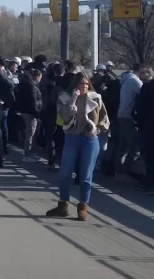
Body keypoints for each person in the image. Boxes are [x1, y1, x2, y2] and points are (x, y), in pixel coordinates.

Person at [46, 71, 109, 221]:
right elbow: (64, 117)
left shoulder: (96, 97)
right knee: (65, 173)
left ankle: (83, 207)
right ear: (75, 85)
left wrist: (97, 129)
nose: (85, 86)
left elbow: (105, 118)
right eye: (81, 83)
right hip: (72, 137)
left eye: (87, 84)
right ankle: (63, 205)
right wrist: (73, 100)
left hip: (90, 139)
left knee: (86, 175)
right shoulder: (65, 98)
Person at [115, 64, 143, 182]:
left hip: (121, 115)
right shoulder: (135, 81)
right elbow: (144, 92)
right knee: (135, 147)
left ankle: (117, 173)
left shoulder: (126, 79)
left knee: (123, 145)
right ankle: (124, 174)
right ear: (139, 71)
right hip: (129, 117)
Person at [133, 68, 154, 193]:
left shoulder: (146, 88)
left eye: (143, 73)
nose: (140, 75)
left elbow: (140, 108)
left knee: (149, 156)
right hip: (148, 125)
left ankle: (150, 184)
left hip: (147, 126)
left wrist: (136, 119)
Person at [16, 68, 43, 162]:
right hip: (31, 112)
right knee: (30, 133)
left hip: (25, 110)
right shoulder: (32, 87)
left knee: (29, 132)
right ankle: (27, 154)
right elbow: (34, 101)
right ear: (36, 77)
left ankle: (29, 153)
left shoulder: (24, 84)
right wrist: (37, 114)